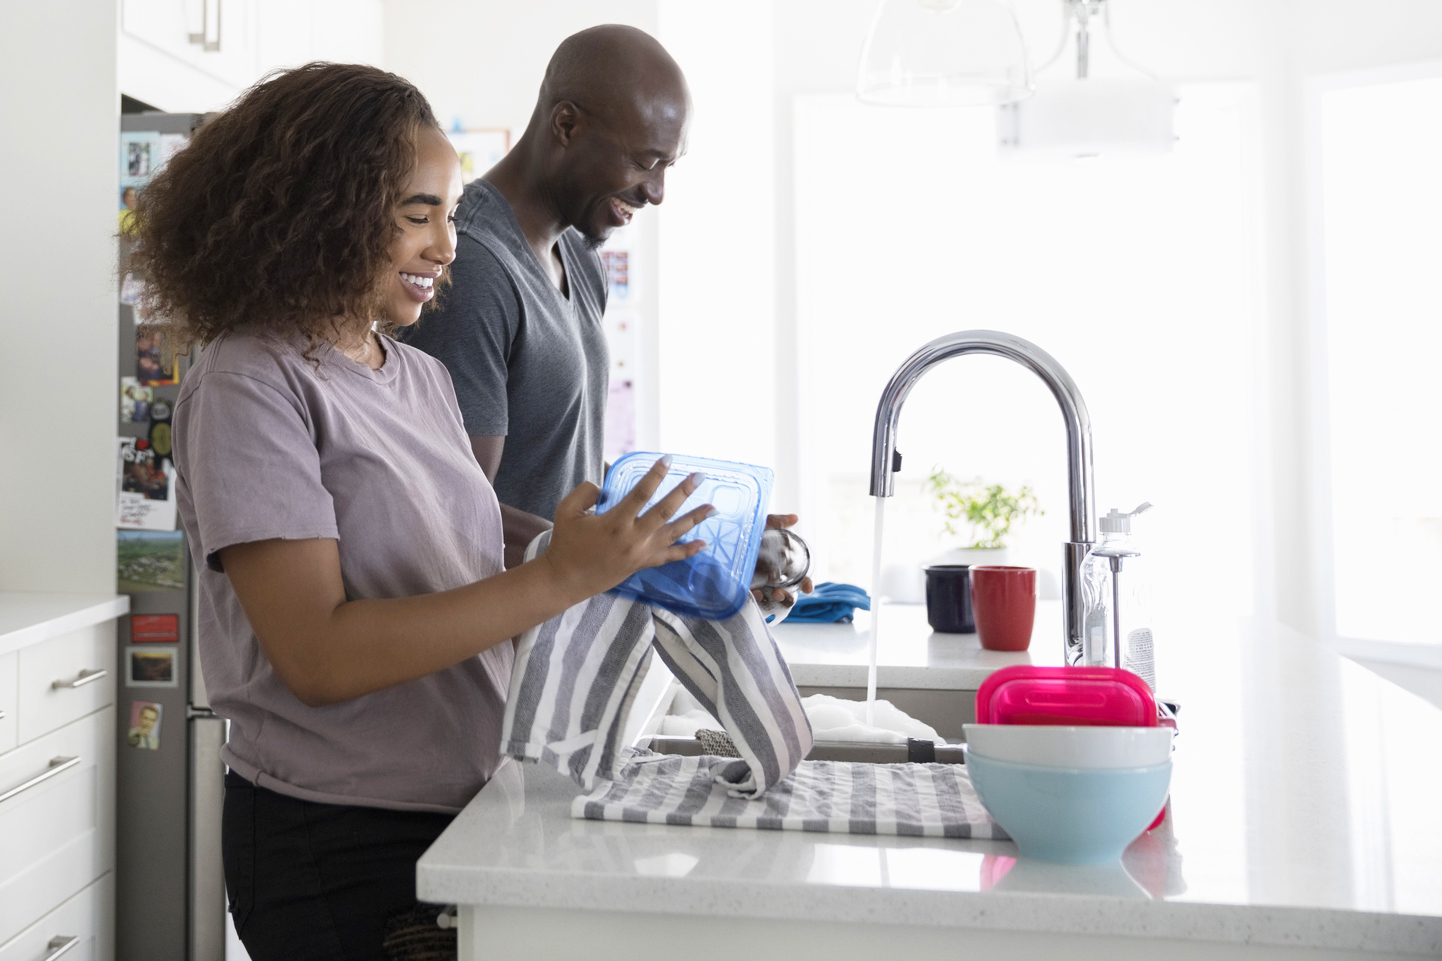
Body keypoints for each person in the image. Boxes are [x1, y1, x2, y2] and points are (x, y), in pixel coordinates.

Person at [130, 62, 714, 961]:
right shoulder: (252, 380)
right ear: (321, 208)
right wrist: (565, 573)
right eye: (418, 215)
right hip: (334, 839)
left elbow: (459, 547)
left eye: (448, 215)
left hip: (456, 807)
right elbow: (318, 653)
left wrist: (633, 545)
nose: (447, 247)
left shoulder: (417, 375)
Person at [399, 27, 809, 606]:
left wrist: (700, 540)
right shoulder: (473, 269)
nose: (658, 192)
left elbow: (560, 462)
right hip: (487, 658)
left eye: (668, 166)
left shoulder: (583, 261)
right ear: (566, 125)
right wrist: (649, 562)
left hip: (563, 631)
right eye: (646, 162)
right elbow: (452, 511)